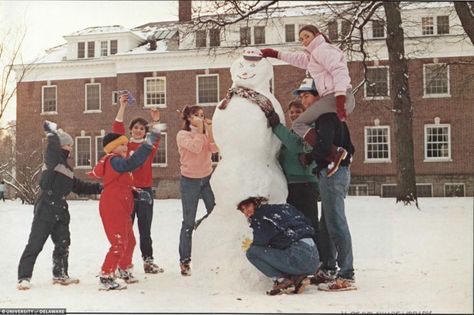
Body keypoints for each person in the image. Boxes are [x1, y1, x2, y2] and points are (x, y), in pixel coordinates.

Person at [17, 121, 102, 290]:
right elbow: (52, 149)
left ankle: (60, 274)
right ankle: (24, 277)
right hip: (46, 208)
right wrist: (53, 134)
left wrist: (100, 187)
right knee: (35, 243)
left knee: (63, 242)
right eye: (68, 144)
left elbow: (79, 187)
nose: (71, 147)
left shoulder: (67, 169)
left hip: (61, 210)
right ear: (61, 146)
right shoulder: (52, 161)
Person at [90, 126, 160, 290]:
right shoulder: (114, 160)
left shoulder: (116, 162)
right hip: (113, 207)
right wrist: (148, 143)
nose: (125, 147)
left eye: (126, 145)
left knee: (130, 241)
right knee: (119, 242)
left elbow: (121, 184)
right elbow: (133, 162)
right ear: (111, 148)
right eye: (121, 145)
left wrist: (136, 193)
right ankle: (106, 276)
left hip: (121, 206)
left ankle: (123, 268)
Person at [260, 24, 356, 140]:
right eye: (301, 39)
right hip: (332, 99)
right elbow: (296, 59)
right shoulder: (313, 55)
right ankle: (330, 150)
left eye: (307, 36)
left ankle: (329, 152)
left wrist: (340, 97)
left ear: (316, 35)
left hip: (337, 97)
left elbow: (339, 70)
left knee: (298, 124)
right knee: (322, 125)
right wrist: (275, 54)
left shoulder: (323, 49)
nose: (304, 41)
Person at [299, 100, 356, 291]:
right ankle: (329, 268)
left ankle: (347, 274)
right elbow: (350, 148)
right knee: (326, 223)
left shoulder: (325, 117)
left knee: (336, 222)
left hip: (333, 174)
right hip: (332, 173)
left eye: (307, 95)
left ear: (318, 98)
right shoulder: (333, 117)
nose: (304, 101)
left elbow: (324, 147)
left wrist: (308, 157)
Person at [112, 91, 163, 274]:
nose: (138, 130)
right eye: (136, 128)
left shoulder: (148, 146)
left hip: (145, 191)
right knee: (126, 228)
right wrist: (123, 106)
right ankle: (123, 262)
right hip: (128, 191)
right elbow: (117, 127)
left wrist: (156, 120)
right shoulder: (125, 145)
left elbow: (156, 135)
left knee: (145, 228)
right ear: (131, 129)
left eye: (142, 128)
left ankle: (148, 261)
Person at [266, 96, 321, 255]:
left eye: (298, 111)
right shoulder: (291, 131)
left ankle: (318, 256)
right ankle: (302, 255)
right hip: (291, 184)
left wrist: (277, 127)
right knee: (296, 223)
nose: (294, 114)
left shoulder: (307, 129)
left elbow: (295, 145)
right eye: (291, 112)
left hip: (305, 183)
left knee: (309, 222)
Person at [237, 196, 319, 296]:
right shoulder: (285, 208)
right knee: (282, 248)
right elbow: (307, 223)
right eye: (242, 210)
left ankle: (282, 280)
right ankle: (297, 278)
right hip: (314, 258)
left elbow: (261, 242)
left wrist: (251, 243)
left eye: (247, 206)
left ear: (255, 202)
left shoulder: (260, 215)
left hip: (299, 256)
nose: (246, 212)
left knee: (252, 252)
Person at [176, 105, 218, 276]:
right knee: (187, 222)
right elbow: (195, 148)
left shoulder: (203, 134)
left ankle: (200, 224)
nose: (201, 117)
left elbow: (214, 149)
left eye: (202, 115)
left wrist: (210, 129)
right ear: (188, 118)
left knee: (216, 212)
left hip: (207, 179)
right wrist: (201, 131)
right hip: (189, 181)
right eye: (196, 115)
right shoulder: (182, 135)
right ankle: (185, 261)